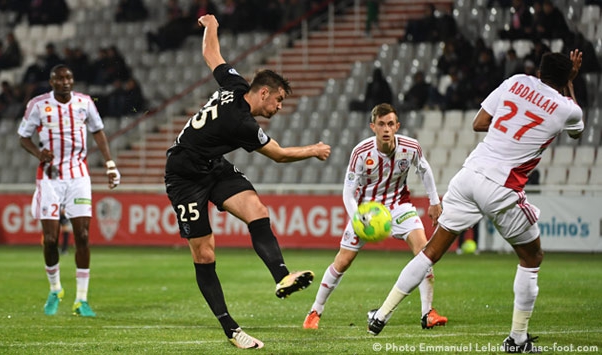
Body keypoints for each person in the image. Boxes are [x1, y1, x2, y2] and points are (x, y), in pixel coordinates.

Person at [367, 50, 584, 353]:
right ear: (566, 77)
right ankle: (517, 339)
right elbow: (576, 132)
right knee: (531, 258)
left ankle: (381, 314)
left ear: (538, 70)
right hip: (502, 187)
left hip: (468, 175)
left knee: (430, 251)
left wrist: (506, 131)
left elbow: (479, 122)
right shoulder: (566, 108)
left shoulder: (515, 81)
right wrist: (570, 85)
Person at [164, 14, 331, 349]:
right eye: (279, 100)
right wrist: (313, 149)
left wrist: (212, 27)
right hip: (184, 175)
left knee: (256, 208)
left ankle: (282, 275)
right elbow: (280, 155)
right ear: (265, 92)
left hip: (213, 166)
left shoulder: (236, 85)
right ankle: (231, 329)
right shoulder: (241, 123)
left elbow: (212, 56)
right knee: (205, 254)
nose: (279, 107)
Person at [303, 103, 448, 331]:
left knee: (424, 251)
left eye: (391, 124)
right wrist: (356, 218)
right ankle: (315, 311)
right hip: (367, 211)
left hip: (399, 205)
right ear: (373, 127)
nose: (386, 129)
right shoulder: (361, 152)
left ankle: (428, 312)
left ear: (397, 126)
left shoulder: (411, 147)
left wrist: (434, 201)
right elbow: (348, 192)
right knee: (343, 261)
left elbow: (424, 169)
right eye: (381, 124)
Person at [17, 64, 121, 317]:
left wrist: (109, 164)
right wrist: (38, 153)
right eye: (60, 78)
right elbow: (23, 137)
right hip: (50, 179)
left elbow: (98, 131)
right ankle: (55, 289)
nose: (65, 82)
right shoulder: (38, 105)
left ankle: (81, 300)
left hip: (78, 177)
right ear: (52, 82)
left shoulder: (85, 103)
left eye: (69, 78)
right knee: (51, 240)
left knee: (83, 236)